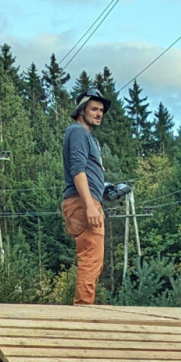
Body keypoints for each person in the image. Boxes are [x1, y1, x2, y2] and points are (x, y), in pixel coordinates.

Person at [62, 91, 111, 305]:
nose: (99, 114)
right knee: (91, 260)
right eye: (94, 109)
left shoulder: (82, 135)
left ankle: (83, 308)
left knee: (92, 260)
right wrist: (90, 205)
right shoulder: (78, 132)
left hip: (85, 200)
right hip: (83, 203)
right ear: (81, 110)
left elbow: (85, 172)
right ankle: (83, 313)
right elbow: (78, 170)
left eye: (101, 110)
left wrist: (104, 189)